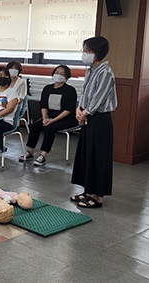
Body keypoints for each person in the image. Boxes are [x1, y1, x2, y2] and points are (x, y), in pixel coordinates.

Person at [70, 36, 117, 209]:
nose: (84, 54)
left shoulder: (105, 72)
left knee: (98, 156)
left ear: (97, 53)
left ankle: (97, 196)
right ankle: (87, 190)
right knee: (86, 154)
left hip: (99, 118)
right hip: (87, 115)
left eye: (87, 51)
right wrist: (79, 108)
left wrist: (85, 113)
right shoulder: (90, 70)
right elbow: (85, 92)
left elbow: (99, 97)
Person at [20, 65, 78, 166]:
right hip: (49, 117)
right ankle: (30, 152)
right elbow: (43, 105)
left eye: (62, 74)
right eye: (57, 72)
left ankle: (43, 155)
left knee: (50, 128)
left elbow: (68, 110)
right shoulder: (47, 88)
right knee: (34, 126)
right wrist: (44, 118)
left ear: (67, 77)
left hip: (66, 119)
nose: (58, 75)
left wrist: (52, 120)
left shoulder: (70, 90)